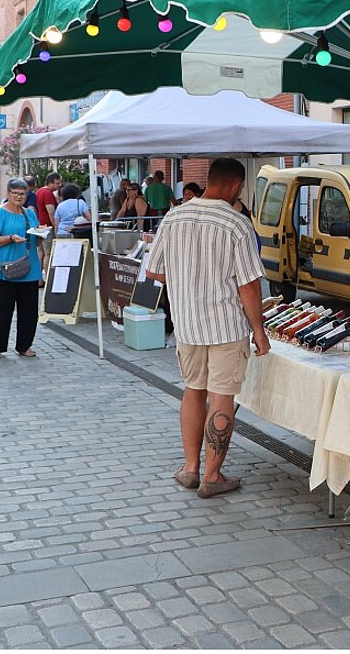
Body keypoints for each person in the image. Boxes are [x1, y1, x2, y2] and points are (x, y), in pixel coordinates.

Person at [146, 158, 270, 499]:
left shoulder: (174, 216)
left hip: (187, 323)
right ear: (234, 186)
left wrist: (188, 281)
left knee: (192, 390)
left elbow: (154, 270)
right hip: (226, 326)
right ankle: (212, 476)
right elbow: (249, 284)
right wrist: (258, 330)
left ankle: (189, 469)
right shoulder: (236, 224)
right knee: (221, 396)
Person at [0, 178, 43, 359]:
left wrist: (41, 235)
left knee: (29, 311)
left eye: (22, 193)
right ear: (8, 194)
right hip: (4, 268)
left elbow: (36, 239)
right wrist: (10, 238)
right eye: (15, 193)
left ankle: (24, 345)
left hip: (28, 266)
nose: (19, 196)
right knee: (1, 310)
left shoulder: (29, 214)